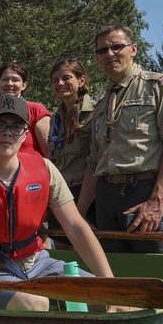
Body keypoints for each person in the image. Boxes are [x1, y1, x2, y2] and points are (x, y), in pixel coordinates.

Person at [0, 95, 119, 311]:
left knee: (115, 302)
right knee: (32, 304)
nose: (8, 132)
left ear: (25, 134)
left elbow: (76, 226)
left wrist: (109, 286)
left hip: (38, 263)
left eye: (16, 127)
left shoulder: (44, 169)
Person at [76, 23, 163, 253]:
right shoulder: (101, 104)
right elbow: (93, 162)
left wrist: (156, 201)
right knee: (118, 279)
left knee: (160, 274)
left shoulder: (161, 85)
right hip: (106, 198)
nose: (110, 54)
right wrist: (78, 216)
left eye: (117, 46)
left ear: (133, 49)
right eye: (102, 51)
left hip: (144, 192)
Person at [49, 58, 95, 224]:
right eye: (55, 80)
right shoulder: (55, 118)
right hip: (59, 194)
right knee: (62, 249)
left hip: (86, 197)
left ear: (81, 80)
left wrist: (80, 211)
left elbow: (96, 161)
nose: (60, 83)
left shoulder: (95, 114)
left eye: (66, 78)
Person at [0, 61, 51, 158]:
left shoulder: (36, 110)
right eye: (5, 79)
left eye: (15, 80)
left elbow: (48, 152)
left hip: (32, 170)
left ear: (24, 85)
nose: (9, 84)